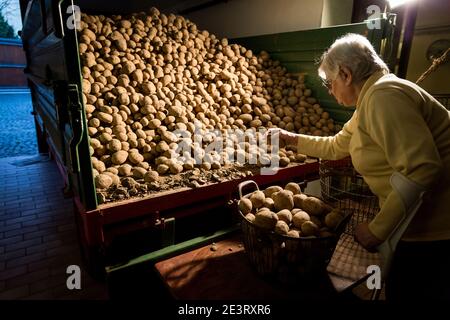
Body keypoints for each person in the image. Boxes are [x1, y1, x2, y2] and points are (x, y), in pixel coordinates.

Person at [268, 33, 450, 300]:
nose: (330, 91)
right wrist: (291, 139)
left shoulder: (385, 97)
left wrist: (377, 229)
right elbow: (336, 145)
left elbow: (422, 168)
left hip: (436, 229)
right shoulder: (371, 99)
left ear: (345, 74)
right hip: (417, 221)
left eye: (330, 84)